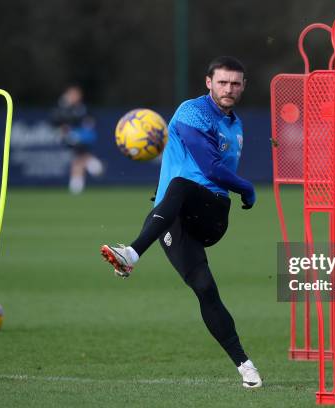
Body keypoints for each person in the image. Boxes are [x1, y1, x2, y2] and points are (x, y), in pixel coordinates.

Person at [100, 56, 262, 387]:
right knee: (204, 288)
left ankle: (131, 255)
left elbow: (211, 172)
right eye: (222, 82)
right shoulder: (192, 111)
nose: (228, 88)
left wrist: (245, 190)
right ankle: (246, 366)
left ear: (243, 86)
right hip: (173, 216)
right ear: (208, 83)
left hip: (212, 213)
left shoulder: (236, 124)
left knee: (179, 187)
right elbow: (206, 165)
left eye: (235, 83)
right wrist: (246, 188)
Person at [51, 85, 104, 194]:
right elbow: (56, 120)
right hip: (68, 136)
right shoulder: (63, 107)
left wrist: (88, 123)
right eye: (74, 94)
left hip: (82, 136)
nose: (76, 97)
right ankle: (92, 164)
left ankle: (76, 184)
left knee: (78, 159)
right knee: (78, 156)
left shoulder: (81, 108)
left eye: (77, 94)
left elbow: (90, 119)